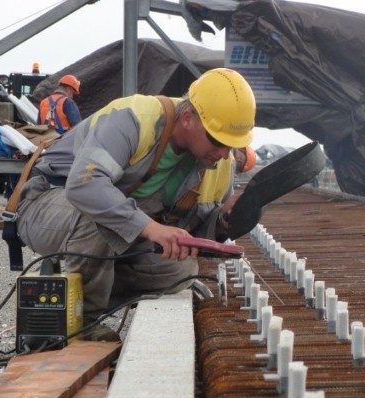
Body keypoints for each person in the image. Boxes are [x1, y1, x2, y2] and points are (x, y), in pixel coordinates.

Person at [15, 68, 256, 341]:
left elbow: (194, 235)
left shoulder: (218, 164)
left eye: (232, 146)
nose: (224, 153)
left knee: (180, 271)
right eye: (218, 140)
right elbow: (84, 186)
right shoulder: (134, 119)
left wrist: (223, 221)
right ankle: (84, 322)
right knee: (103, 219)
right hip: (46, 203)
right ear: (188, 118)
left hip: (111, 232)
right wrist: (153, 229)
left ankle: (69, 291)